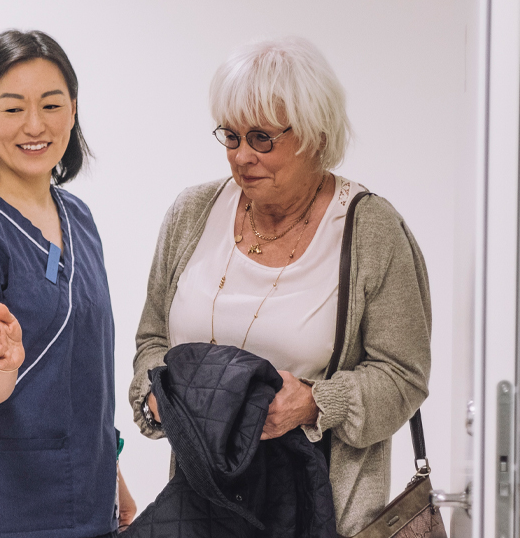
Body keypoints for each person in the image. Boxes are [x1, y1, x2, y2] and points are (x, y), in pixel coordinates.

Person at [126, 36, 433, 536]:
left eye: (261, 138)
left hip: (322, 515)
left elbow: (404, 376)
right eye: (231, 137)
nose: (242, 156)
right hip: (203, 512)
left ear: (314, 134)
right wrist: (156, 393)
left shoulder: (371, 230)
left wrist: (316, 403)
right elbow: (153, 339)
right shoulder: (191, 214)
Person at [0, 29, 131, 538]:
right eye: (13, 108)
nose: (35, 125)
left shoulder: (79, 217)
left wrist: (113, 478)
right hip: (11, 508)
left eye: (51, 105)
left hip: (90, 499)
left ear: (73, 111)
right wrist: (0, 362)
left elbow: (82, 373)